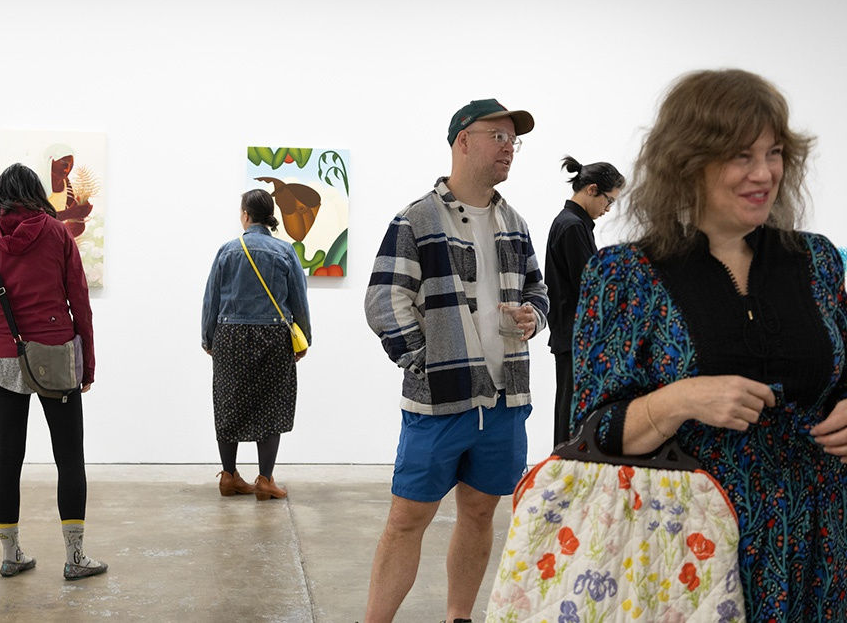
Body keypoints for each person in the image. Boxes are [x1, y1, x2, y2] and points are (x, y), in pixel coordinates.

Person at [571, 69, 847, 621]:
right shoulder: (626, 274)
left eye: (773, 153)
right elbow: (593, 431)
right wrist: (682, 399)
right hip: (690, 550)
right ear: (687, 163)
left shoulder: (816, 261)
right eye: (741, 156)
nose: (764, 173)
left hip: (823, 544)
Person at [363, 99, 548, 622]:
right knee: (407, 519)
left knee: (480, 512)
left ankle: (459, 617)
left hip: (506, 398)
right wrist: (423, 362)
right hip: (439, 404)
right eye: (498, 137)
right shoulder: (417, 219)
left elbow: (538, 290)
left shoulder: (514, 222)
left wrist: (533, 315)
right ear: (463, 141)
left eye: (514, 141)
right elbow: (384, 299)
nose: (509, 148)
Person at [0, 163, 107, 580]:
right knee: (69, 456)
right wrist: (87, 363)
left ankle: (11, 555)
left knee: (8, 458)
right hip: (57, 353)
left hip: (1, 357)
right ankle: (75, 557)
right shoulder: (58, 234)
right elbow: (80, 302)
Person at [201, 188, 311, 500]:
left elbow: (212, 299)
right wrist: (304, 338)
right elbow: (298, 299)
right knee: (271, 404)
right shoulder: (285, 251)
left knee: (228, 402)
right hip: (273, 336)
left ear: (246, 215)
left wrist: (208, 338)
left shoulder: (227, 251)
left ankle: (229, 476)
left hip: (230, 335)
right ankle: (265, 480)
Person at [545, 156, 625, 445]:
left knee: (571, 413)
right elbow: (591, 289)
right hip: (576, 337)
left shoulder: (572, 224)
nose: (608, 209)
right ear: (592, 190)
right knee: (573, 418)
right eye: (609, 201)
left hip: (572, 337)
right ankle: (563, 468)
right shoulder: (572, 227)